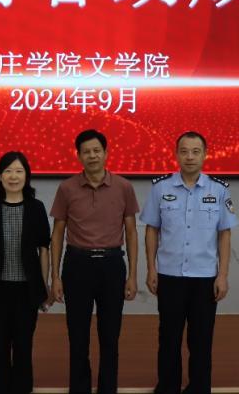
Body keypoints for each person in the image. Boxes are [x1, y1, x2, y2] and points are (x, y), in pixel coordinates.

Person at [140, 131, 238, 394]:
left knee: (201, 341)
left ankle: (199, 387)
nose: (190, 157)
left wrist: (223, 275)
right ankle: (168, 387)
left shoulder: (219, 189)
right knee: (168, 339)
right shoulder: (160, 188)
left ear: (205, 155)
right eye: (184, 151)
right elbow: (151, 230)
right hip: (169, 276)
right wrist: (151, 268)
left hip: (205, 278)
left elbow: (225, 234)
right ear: (176, 155)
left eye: (196, 151)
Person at [51, 128, 139, 394]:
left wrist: (133, 275)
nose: (92, 156)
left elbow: (131, 232)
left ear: (106, 153)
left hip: (112, 266)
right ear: (78, 155)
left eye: (97, 151)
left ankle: (107, 389)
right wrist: (55, 277)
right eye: (86, 152)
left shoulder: (123, 187)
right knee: (77, 336)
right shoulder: (67, 188)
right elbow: (57, 234)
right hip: (77, 265)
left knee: (110, 336)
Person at [0, 151, 52, 394]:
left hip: (27, 290)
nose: (13, 176)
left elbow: (44, 249)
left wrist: (43, 286)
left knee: (24, 347)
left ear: (27, 176)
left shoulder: (36, 208)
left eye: (19, 171)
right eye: (8, 171)